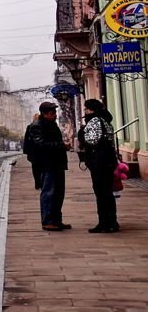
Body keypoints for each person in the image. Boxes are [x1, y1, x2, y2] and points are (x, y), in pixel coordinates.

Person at [22, 101, 71, 231]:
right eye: (51, 113)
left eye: (54, 112)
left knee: (59, 193)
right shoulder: (37, 126)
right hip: (46, 164)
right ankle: (48, 221)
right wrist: (61, 145)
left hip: (57, 163)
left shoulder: (51, 124)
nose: (54, 115)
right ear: (44, 114)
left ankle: (57, 220)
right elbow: (41, 145)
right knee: (49, 193)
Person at [79, 98, 120, 233]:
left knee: (101, 192)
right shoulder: (106, 121)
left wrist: (82, 134)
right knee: (107, 192)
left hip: (99, 161)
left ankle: (104, 222)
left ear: (91, 109)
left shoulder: (95, 121)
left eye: (86, 108)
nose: (85, 110)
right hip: (108, 160)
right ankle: (112, 221)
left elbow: (92, 140)